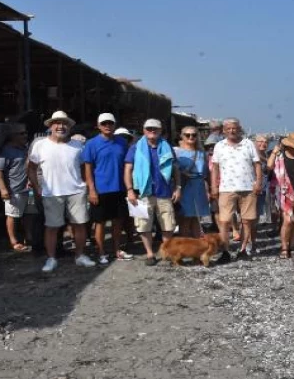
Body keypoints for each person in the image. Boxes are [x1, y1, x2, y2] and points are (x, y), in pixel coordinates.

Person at [28, 111, 96, 272]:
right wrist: (37, 187)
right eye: (57, 123)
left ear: (70, 127)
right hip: (52, 193)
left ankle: (80, 256)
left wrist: (87, 186)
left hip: (76, 191)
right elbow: (31, 168)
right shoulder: (40, 144)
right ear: (51, 126)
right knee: (51, 227)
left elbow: (83, 168)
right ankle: (51, 259)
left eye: (65, 123)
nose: (61, 126)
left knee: (79, 225)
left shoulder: (78, 146)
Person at [124, 118, 182, 266]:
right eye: (149, 128)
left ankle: (167, 252)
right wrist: (130, 190)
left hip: (164, 191)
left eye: (155, 128)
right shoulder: (136, 147)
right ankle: (150, 254)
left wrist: (178, 187)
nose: (152, 131)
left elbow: (175, 168)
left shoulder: (167, 147)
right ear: (143, 130)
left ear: (161, 130)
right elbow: (128, 170)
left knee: (168, 225)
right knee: (143, 225)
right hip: (142, 192)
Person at [83, 113, 132, 264]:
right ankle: (101, 252)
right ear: (98, 126)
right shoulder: (91, 144)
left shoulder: (122, 142)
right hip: (101, 190)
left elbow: (127, 165)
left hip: (119, 189)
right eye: (104, 123)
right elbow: (88, 168)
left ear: (114, 125)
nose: (107, 126)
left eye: (110, 123)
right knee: (100, 223)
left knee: (118, 221)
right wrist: (91, 189)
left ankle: (117, 250)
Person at [211, 118, 262, 262]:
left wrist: (258, 182)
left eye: (234, 128)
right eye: (228, 128)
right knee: (224, 220)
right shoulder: (219, 146)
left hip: (248, 188)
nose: (231, 131)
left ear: (239, 128)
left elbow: (257, 164)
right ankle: (225, 250)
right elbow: (215, 167)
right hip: (226, 189)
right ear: (223, 130)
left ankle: (243, 249)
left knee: (247, 221)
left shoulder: (248, 144)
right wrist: (213, 185)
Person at [268, 132, 294, 258]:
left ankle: (292, 246)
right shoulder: (279, 156)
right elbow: (269, 167)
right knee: (287, 221)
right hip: (283, 193)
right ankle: (284, 247)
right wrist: (274, 152)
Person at [0, 124, 32, 252]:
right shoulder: (6, 151)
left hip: (28, 188)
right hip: (13, 190)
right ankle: (13, 240)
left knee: (27, 215)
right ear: (13, 136)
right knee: (12, 216)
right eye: (21, 133)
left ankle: (29, 237)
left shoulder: (25, 148)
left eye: (25, 133)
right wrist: (3, 189)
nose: (25, 135)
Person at [174, 126, 211, 238]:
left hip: (198, 187)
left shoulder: (201, 153)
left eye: (194, 135)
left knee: (196, 218)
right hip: (184, 186)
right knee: (185, 218)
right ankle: (185, 246)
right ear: (182, 136)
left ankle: (196, 248)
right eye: (187, 135)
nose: (191, 137)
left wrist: (208, 190)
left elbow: (205, 175)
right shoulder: (176, 152)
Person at [254, 135, 274, 228]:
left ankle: (253, 233)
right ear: (255, 142)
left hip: (264, 186)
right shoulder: (253, 154)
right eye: (260, 141)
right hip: (254, 187)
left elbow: (268, 170)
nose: (263, 143)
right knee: (251, 212)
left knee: (258, 211)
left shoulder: (265, 154)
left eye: (266, 142)